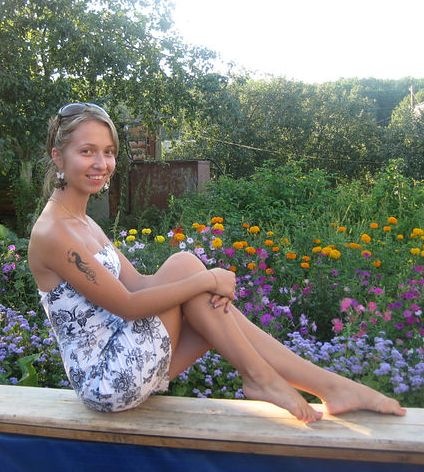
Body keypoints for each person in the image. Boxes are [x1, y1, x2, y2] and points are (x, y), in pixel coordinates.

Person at [28, 102, 406, 423]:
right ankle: (266, 378)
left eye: (108, 152)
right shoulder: (54, 232)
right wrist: (206, 279)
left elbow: (139, 284)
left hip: (130, 362)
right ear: (58, 157)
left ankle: (323, 386)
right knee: (187, 270)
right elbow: (129, 305)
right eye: (87, 151)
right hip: (106, 381)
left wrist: (201, 282)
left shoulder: (84, 222)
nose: (101, 163)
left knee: (207, 302)